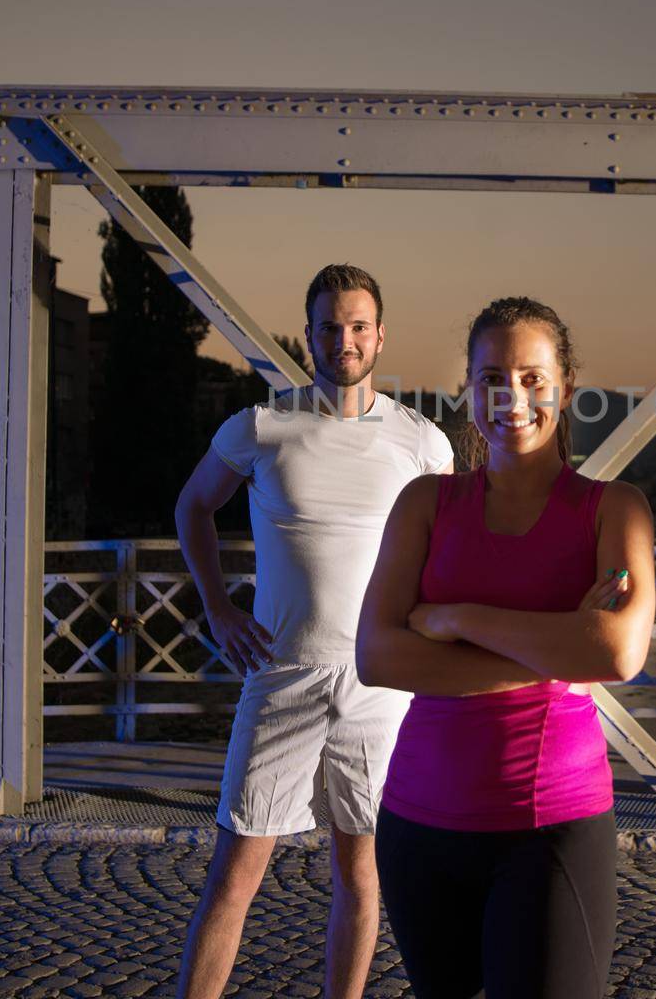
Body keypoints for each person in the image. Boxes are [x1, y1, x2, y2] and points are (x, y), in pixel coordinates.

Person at [356, 296, 656, 999]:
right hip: (416, 826)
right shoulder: (424, 503)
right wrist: (556, 650)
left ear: (567, 389)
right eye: (492, 377)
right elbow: (378, 657)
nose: (510, 397)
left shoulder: (615, 508)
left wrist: (454, 616)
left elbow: (615, 654)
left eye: (531, 377)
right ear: (468, 387)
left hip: (550, 827)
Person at [173, 264, 454, 999]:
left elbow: (446, 554)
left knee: (362, 874)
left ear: (380, 334)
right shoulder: (261, 426)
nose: (344, 339)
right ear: (309, 336)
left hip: (378, 688)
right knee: (235, 873)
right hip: (282, 676)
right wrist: (218, 607)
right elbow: (192, 508)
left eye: (358, 325)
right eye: (329, 325)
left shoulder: (423, 443)